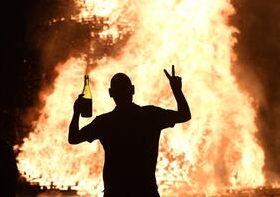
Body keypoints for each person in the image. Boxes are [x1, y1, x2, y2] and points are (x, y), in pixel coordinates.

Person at [68, 65, 191, 197]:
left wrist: (76, 113)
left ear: (111, 93)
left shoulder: (105, 122)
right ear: (132, 90)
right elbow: (184, 115)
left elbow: (74, 138)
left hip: (115, 192)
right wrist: (177, 90)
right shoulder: (150, 115)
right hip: (146, 192)